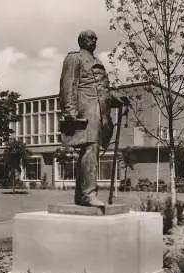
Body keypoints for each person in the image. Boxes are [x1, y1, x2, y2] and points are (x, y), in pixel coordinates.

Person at [59, 30, 125, 207]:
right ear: (81, 40)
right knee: (90, 149)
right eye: (90, 37)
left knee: (90, 151)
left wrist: (114, 99)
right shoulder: (74, 58)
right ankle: (88, 195)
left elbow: (102, 90)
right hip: (85, 110)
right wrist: (70, 112)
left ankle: (81, 196)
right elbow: (68, 85)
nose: (94, 40)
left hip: (100, 113)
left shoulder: (98, 62)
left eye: (96, 37)